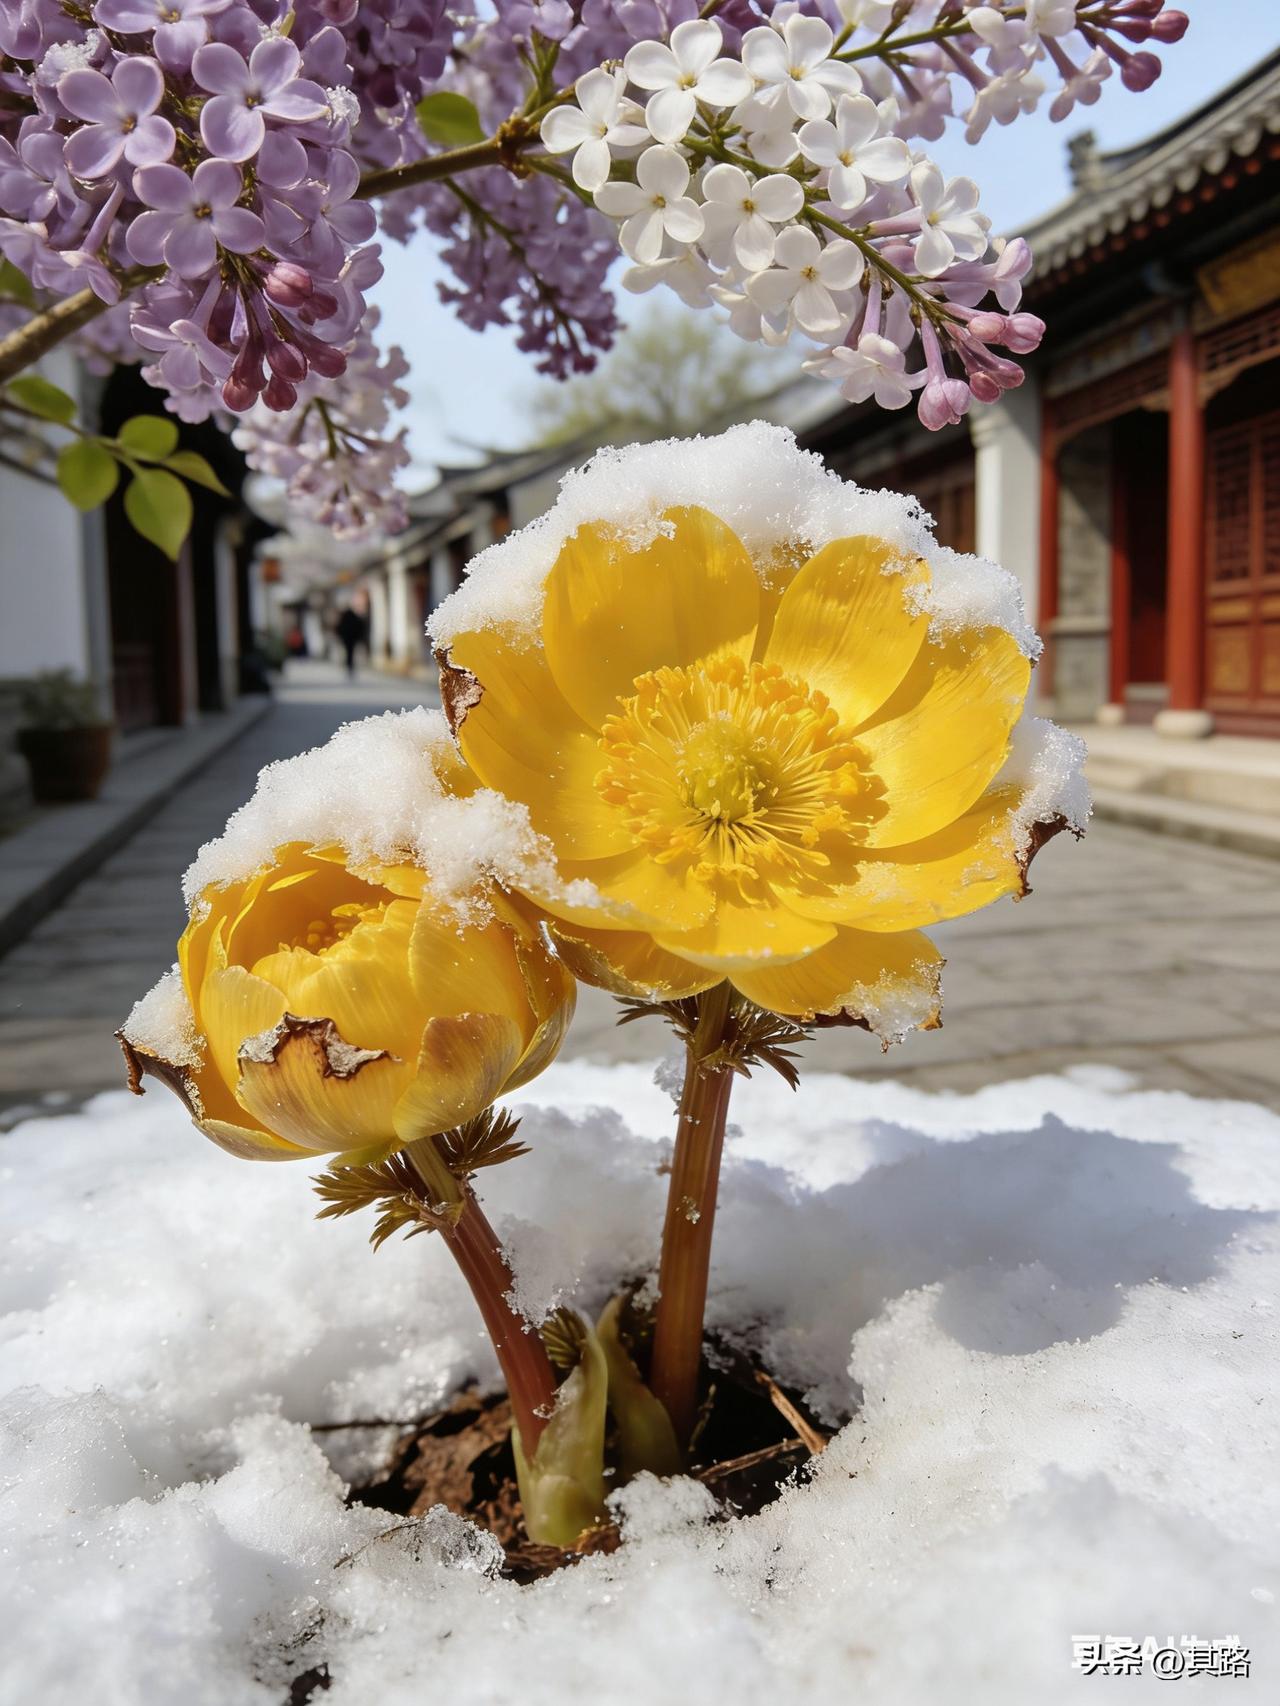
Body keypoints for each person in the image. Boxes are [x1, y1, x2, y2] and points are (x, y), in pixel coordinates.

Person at [335, 605, 368, 678]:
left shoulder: (344, 619)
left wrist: (341, 636)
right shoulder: (354, 618)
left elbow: (340, 628)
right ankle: (350, 666)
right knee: (351, 653)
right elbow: (359, 627)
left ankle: (349, 666)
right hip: (352, 639)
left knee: (348, 653)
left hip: (347, 639)